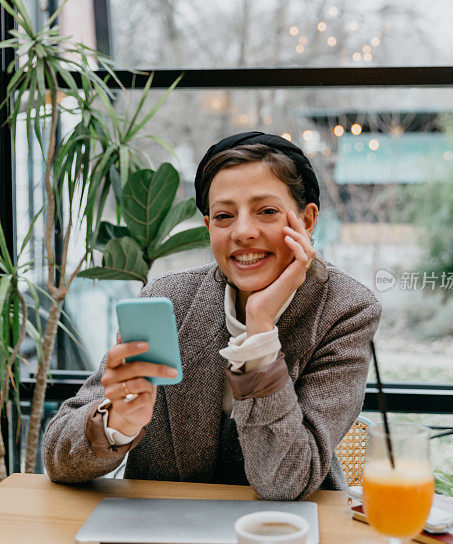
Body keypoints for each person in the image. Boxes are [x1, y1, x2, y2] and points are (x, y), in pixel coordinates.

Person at [43, 132, 382, 500]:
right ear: (209, 228)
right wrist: (115, 424)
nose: (243, 232)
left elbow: (284, 482)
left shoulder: (345, 311)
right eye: (224, 216)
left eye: (266, 211)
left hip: (287, 533)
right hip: (165, 527)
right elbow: (58, 457)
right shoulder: (169, 300)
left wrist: (259, 331)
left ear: (307, 219)